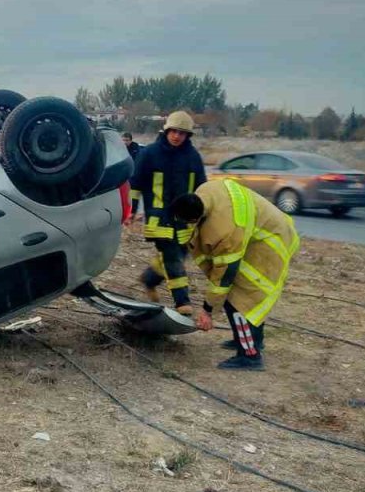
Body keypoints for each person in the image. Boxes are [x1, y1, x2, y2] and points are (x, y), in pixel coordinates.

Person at [169, 179, 299, 370]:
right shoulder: (206, 190)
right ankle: (250, 339)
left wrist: (208, 310)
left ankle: (250, 355)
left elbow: (224, 277)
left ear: (195, 219)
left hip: (270, 242)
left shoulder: (225, 231)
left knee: (239, 299)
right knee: (246, 297)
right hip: (262, 229)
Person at [129, 111, 206, 315]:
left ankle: (149, 279)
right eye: (173, 131)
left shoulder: (193, 157)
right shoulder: (150, 154)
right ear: (166, 130)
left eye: (182, 133)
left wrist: (201, 216)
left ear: (188, 136)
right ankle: (182, 303)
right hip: (159, 219)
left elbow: (202, 189)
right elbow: (134, 184)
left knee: (179, 255)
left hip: (184, 222)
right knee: (172, 257)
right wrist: (131, 210)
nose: (176, 136)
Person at [122, 131, 142, 221]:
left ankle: (132, 212)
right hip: (123, 175)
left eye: (127, 140)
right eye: (123, 140)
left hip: (134, 175)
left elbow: (138, 161)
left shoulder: (136, 148)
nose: (125, 142)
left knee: (134, 195)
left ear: (131, 141)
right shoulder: (119, 148)